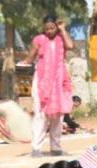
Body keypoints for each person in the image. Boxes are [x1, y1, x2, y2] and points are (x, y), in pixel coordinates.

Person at [25, 15, 75, 158]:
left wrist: (63, 30)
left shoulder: (61, 39)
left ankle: (56, 147)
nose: (49, 31)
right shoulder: (39, 40)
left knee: (58, 116)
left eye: (52, 28)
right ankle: (36, 148)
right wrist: (22, 66)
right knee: (40, 115)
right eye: (46, 28)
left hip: (59, 81)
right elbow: (30, 57)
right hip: (42, 81)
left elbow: (70, 46)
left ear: (56, 26)